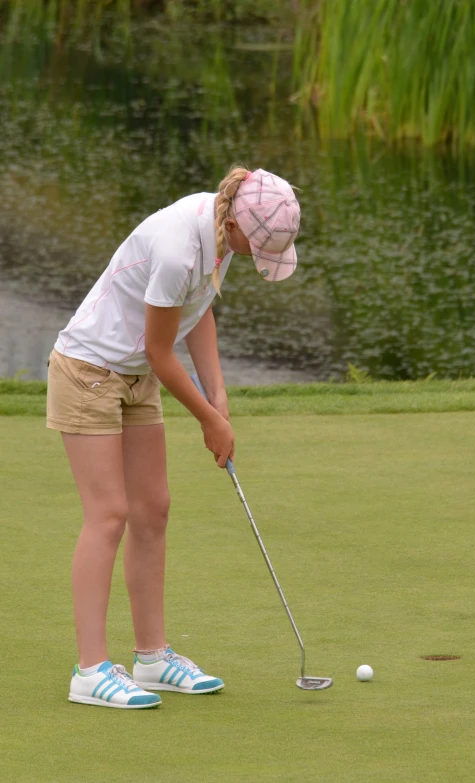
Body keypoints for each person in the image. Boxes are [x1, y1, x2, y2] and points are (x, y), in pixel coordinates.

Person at [46, 166, 300, 709]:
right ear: (233, 223)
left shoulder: (220, 233)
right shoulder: (177, 248)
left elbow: (195, 314)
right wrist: (209, 419)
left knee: (153, 508)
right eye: (254, 249)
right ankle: (90, 670)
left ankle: (152, 657)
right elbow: (163, 353)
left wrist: (219, 395)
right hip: (88, 370)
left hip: (134, 373)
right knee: (109, 514)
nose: (253, 259)